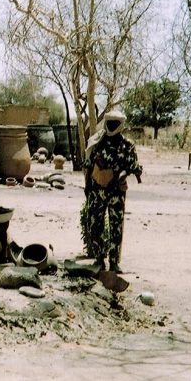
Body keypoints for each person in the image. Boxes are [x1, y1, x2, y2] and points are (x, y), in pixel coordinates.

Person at [81, 110, 142, 273]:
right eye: (110, 122)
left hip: (116, 192)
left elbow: (133, 166)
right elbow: (89, 165)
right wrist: (88, 188)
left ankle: (114, 262)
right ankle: (100, 259)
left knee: (116, 226)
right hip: (97, 190)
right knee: (95, 224)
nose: (111, 126)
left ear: (121, 125)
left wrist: (123, 174)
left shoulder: (127, 145)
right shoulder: (97, 142)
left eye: (115, 123)